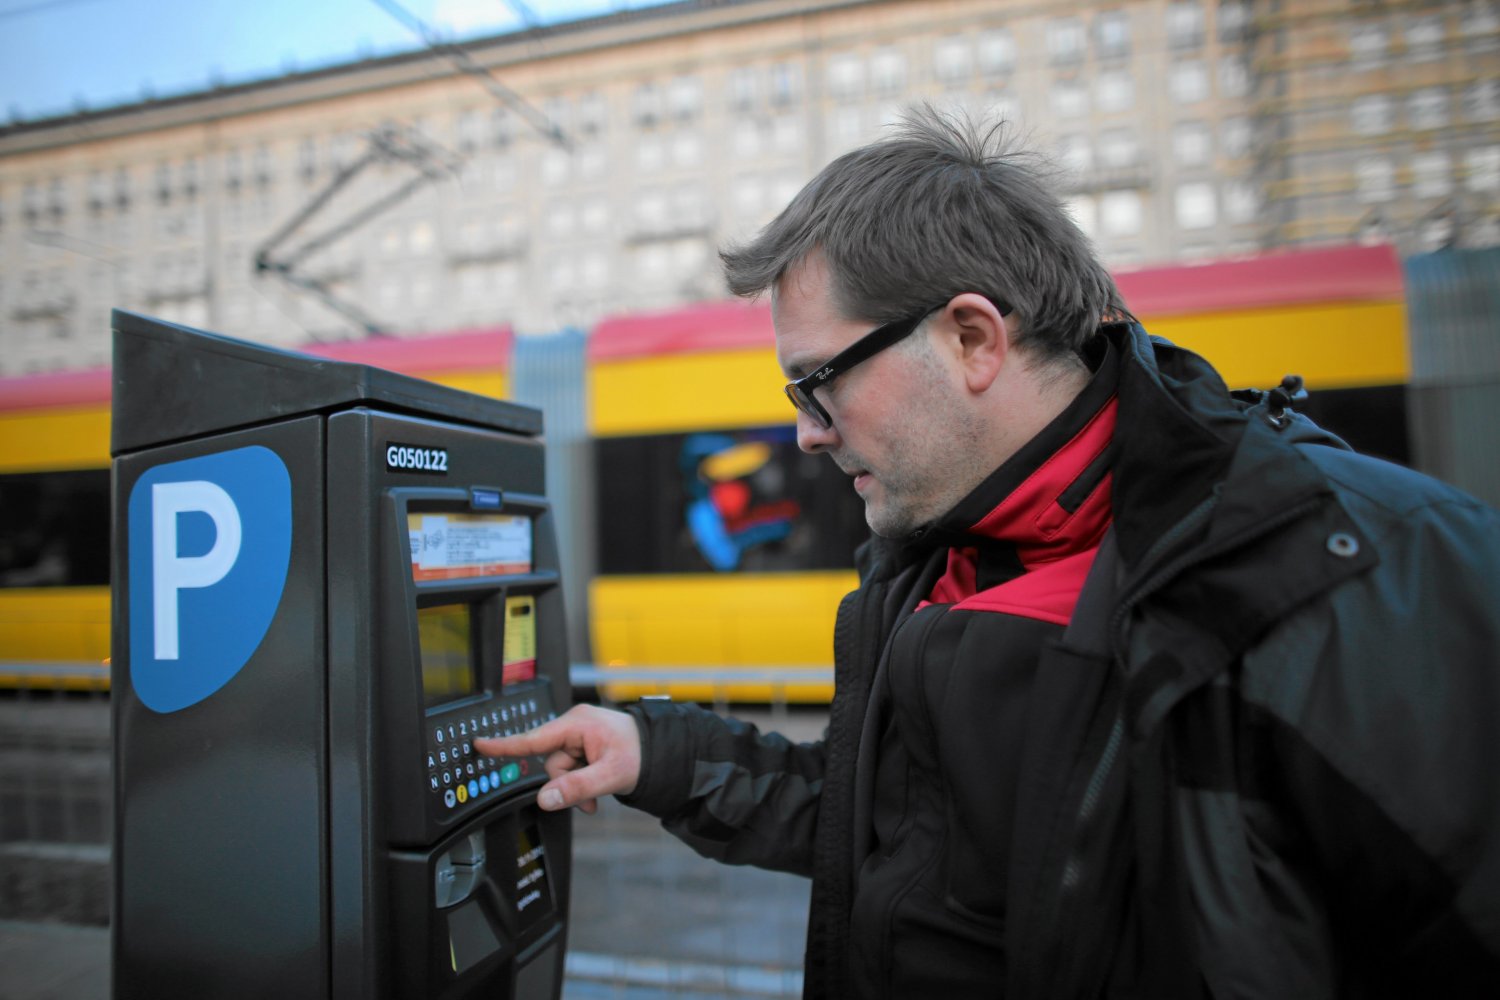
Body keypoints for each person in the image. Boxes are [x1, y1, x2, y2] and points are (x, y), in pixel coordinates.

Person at [476, 107, 1500, 997]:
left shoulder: (1359, 571)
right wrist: (659, 756)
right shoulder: (927, 560)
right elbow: (889, 822)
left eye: (816, 382)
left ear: (972, 338)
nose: (806, 432)